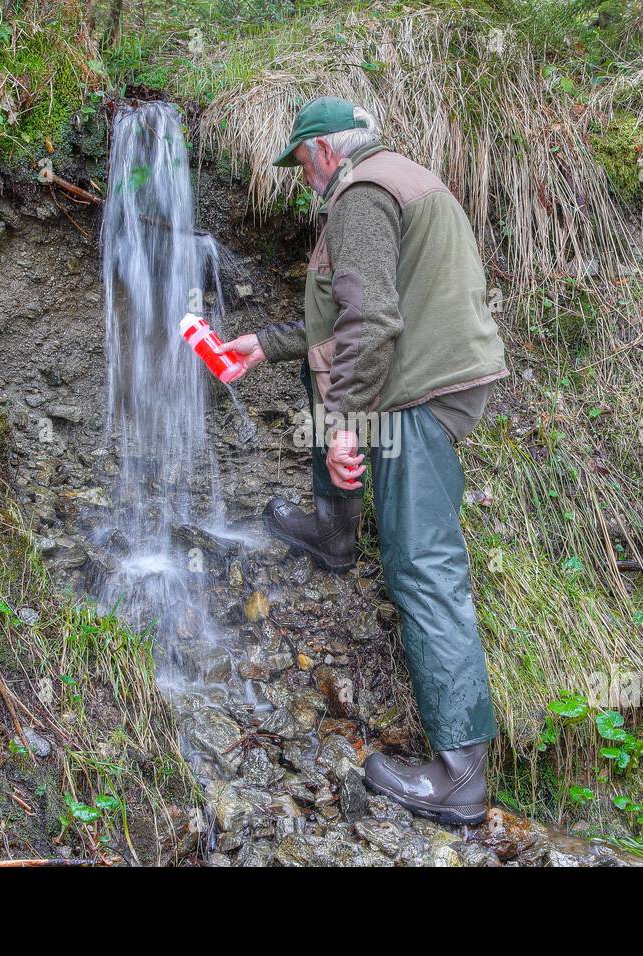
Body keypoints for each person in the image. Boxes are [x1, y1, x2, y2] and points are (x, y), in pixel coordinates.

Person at [218, 96, 508, 825]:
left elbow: (372, 321)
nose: (302, 176)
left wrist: (349, 423)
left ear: (321, 151)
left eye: (300, 161)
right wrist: (263, 343)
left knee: (423, 563)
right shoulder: (395, 178)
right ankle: (332, 530)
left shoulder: (359, 196)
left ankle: (460, 773)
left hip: (419, 393)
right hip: (425, 377)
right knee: (330, 383)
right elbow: (341, 318)